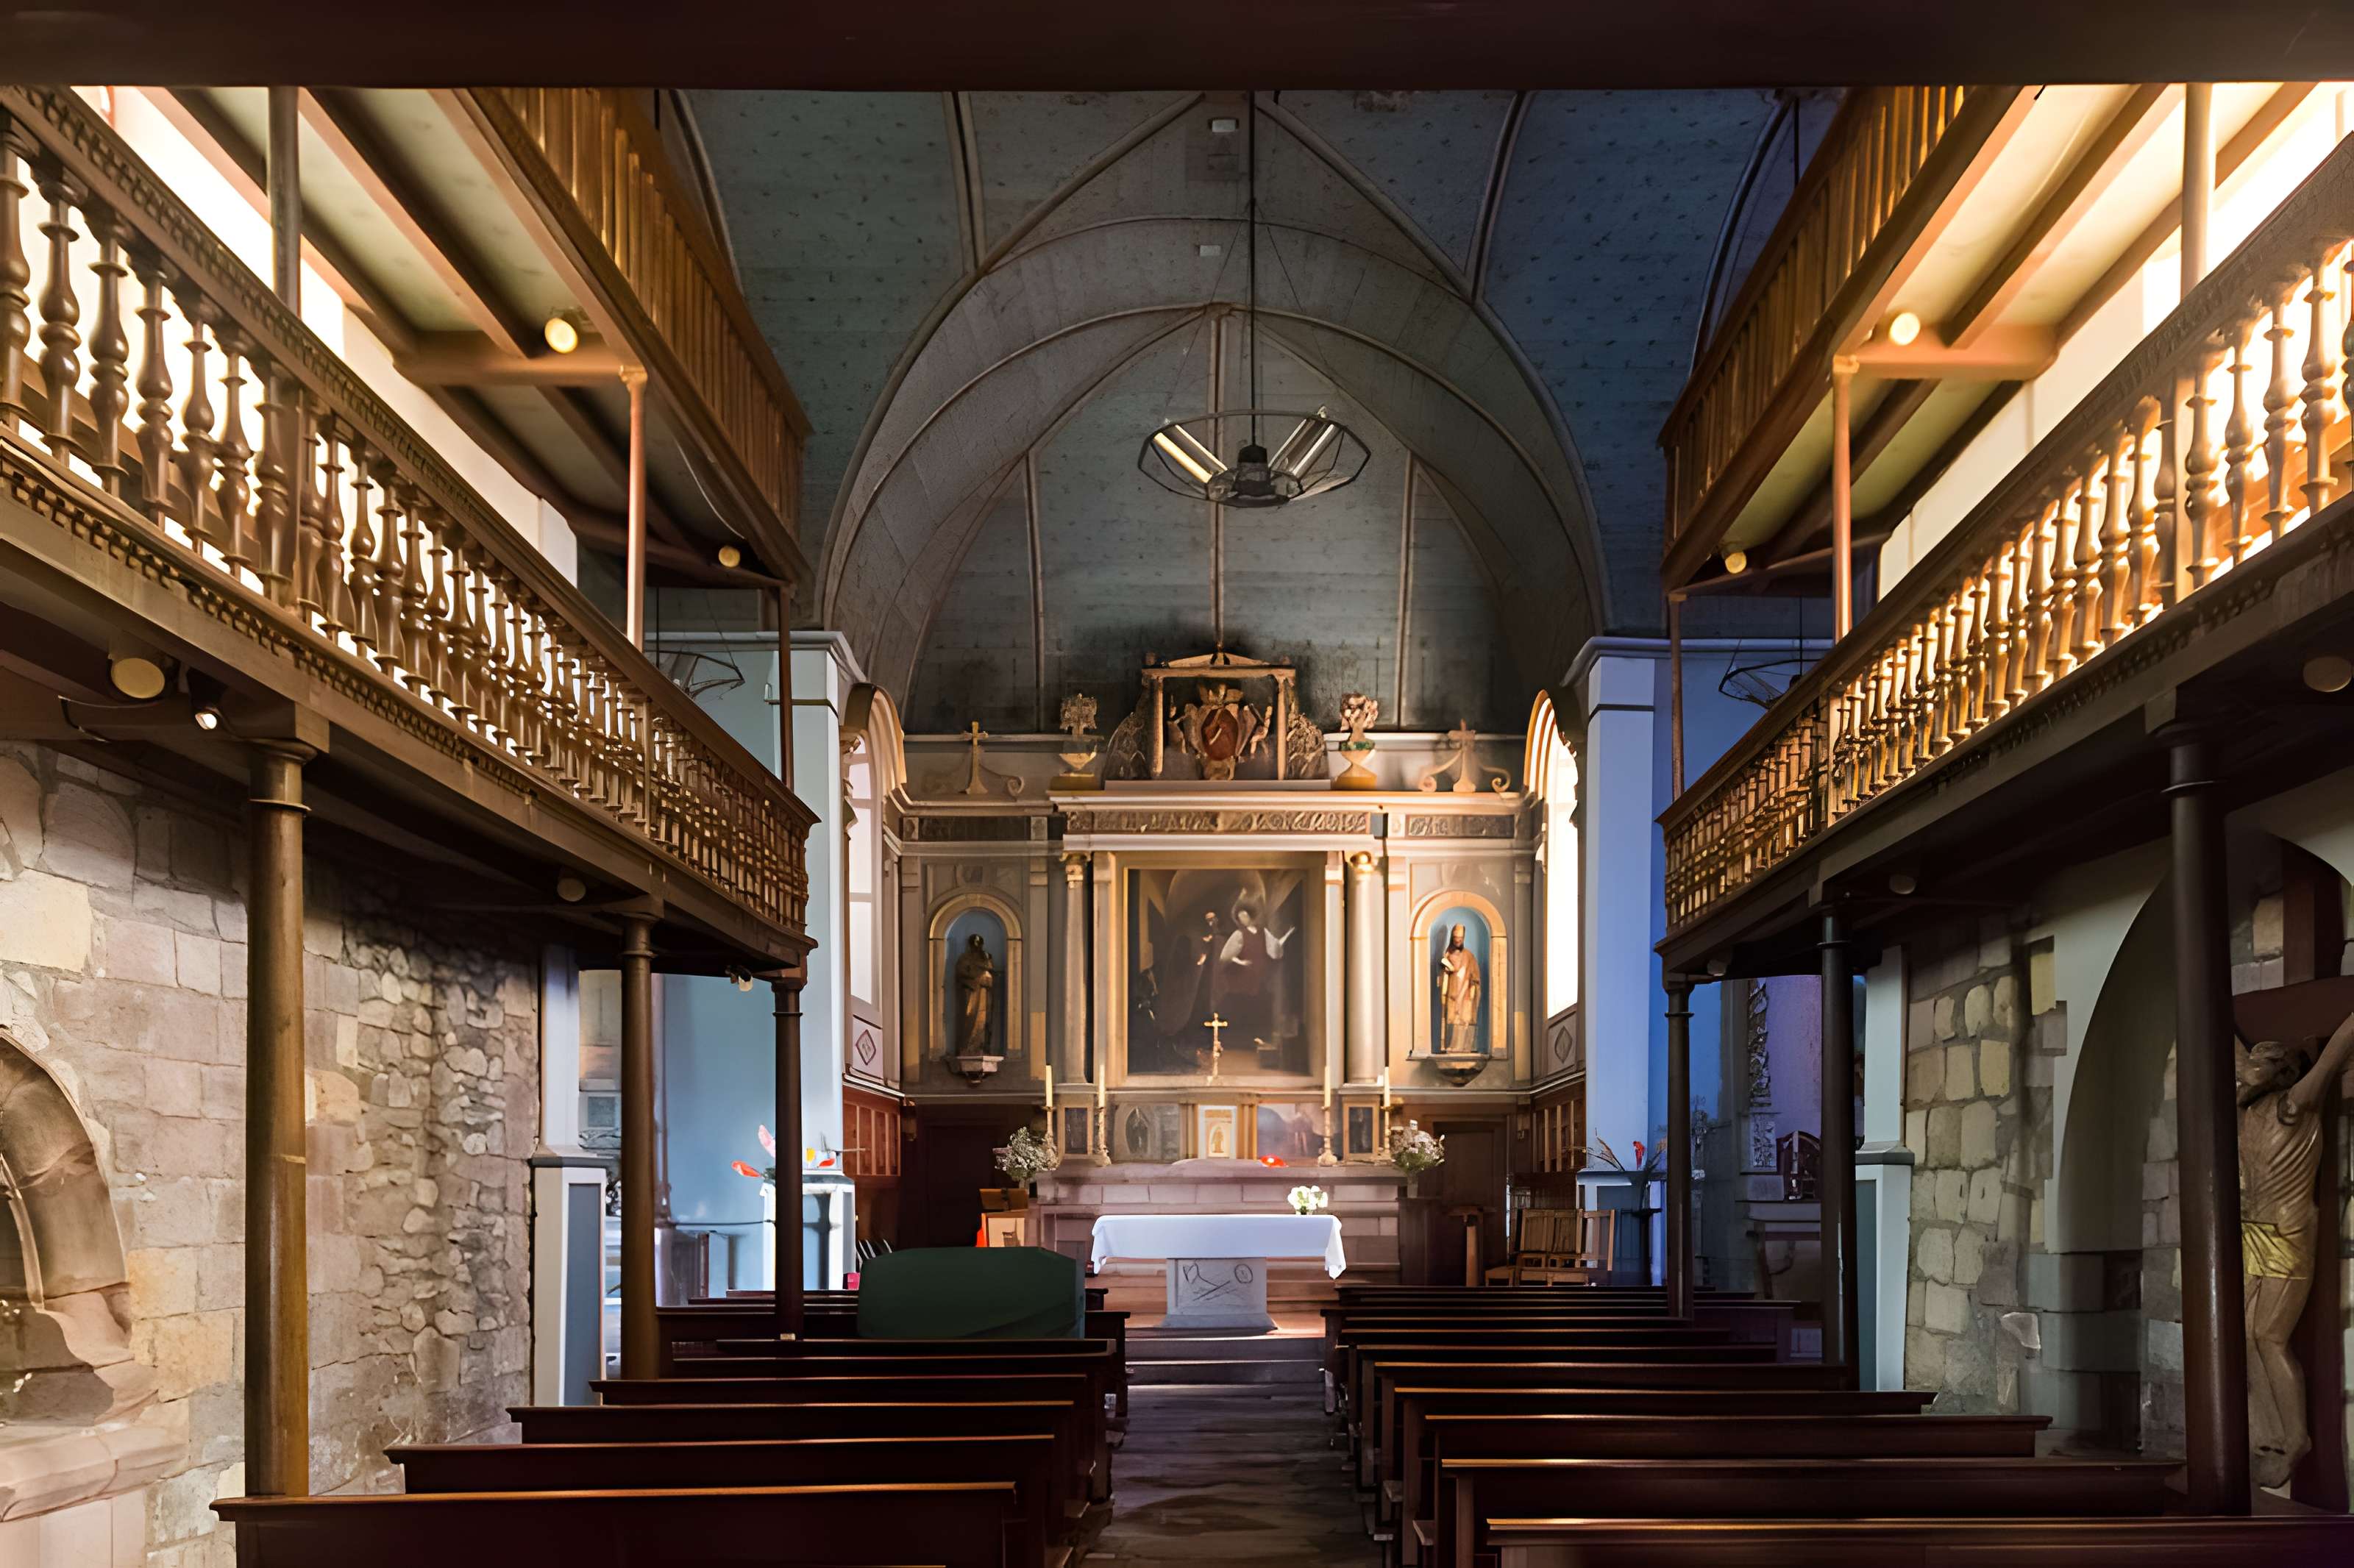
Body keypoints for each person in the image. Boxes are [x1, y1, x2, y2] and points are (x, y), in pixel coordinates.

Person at [2238, 1006, 2354, 1487]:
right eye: (2252, 1058)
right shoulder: (2249, 1111)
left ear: (2285, 1073)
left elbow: (2332, 1059)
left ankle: (2297, 1437)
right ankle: (2266, 1436)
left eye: (2263, 1060)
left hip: (2288, 1231)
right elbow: (2232, 1054)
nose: (2251, 1064)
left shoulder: (2294, 1105)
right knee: (2243, 1335)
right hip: (2254, 1229)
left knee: (2269, 1336)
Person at [1437, 922, 1483, 1054]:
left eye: (1460, 939)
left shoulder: (1469, 956)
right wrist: (1446, 970)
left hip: (1466, 994)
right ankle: (1452, 1045)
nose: (1458, 941)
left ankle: (1466, 1046)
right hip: (1452, 992)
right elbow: (1443, 975)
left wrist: (1473, 988)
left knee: (1465, 1020)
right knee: (1453, 1020)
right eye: (1456, 939)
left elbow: (1476, 976)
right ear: (1452, 939)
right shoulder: (1448, 955)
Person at [953, 933, 997, 1055]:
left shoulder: (987, 957)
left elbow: (992, 973)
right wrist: (977, 979)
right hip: (972, 992)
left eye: (979, 944)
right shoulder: (965, 958)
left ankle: (983, 1048)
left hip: (985, 992)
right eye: (974, 944)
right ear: (970, 945)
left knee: (985, 1020)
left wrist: (988, 978)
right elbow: (960, 973)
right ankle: (968, 1048)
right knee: (970, 1018)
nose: (977, 947)